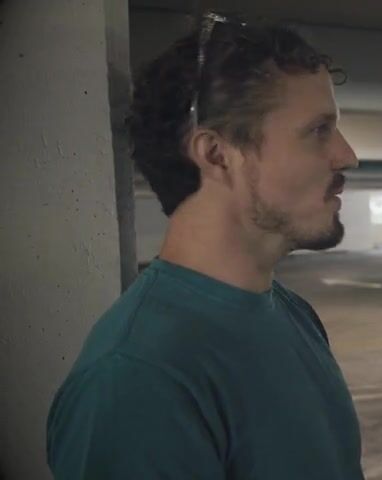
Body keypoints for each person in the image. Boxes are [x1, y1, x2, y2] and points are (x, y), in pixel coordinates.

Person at [46, 13, 363, 479]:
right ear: (216, 155)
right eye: (319, 130)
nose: (347, 156)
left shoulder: (293, 314)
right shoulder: (139, 378)